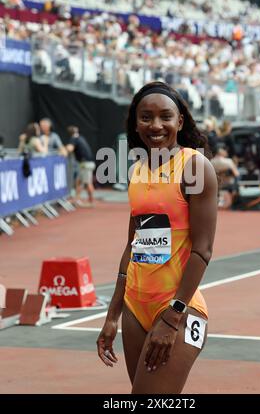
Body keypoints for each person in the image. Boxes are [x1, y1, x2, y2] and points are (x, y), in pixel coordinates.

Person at [96, 81, 218, 394]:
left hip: (177, 306)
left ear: (180, 121)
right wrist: (112, 316)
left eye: (165, 116)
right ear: (135, 123)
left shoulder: (194, 167)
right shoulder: (138, 171)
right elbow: (132, 246)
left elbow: (202, 251)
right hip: (135, 307)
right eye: (146, 117)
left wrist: (173, 316)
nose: (155, 125)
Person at [65, 126, 95, 205]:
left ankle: (91, 201)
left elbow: (69, 149)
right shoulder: (80, 137)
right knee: (78, 182)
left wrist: (62, 149)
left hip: (85, 164)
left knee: (88, 183)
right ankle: (77, 199)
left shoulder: (73, 139)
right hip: (86, 164)